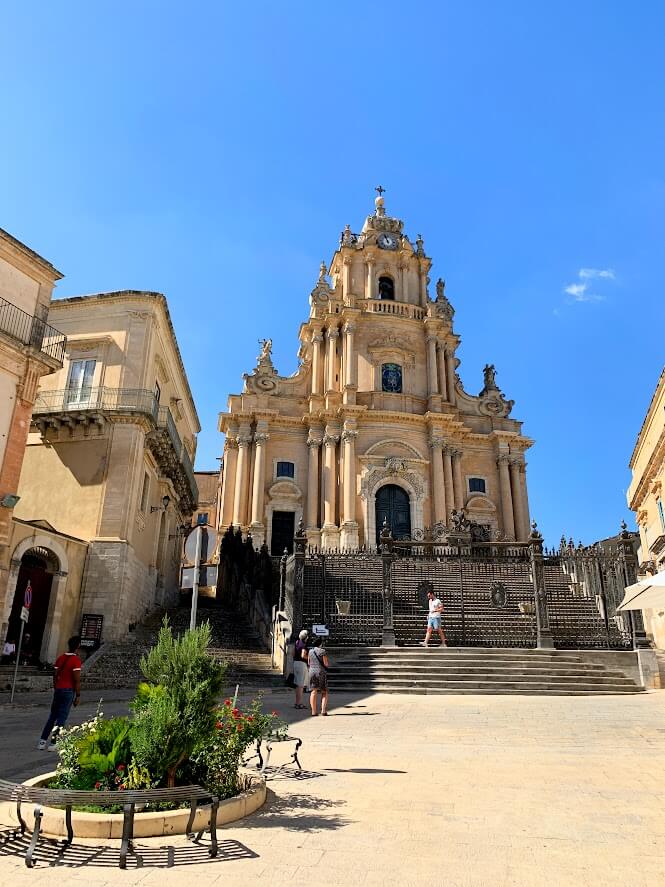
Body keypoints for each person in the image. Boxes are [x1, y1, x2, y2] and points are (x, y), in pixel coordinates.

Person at [37, 635, 82, 751]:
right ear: (78, 646)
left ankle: (42, 741)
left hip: (58, 690)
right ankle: (53, 743)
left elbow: (55, 674)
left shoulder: (60, 658)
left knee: (52, 716)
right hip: (68, 691)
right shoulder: (76, 660)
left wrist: (56, 687)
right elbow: (77, 680)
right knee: (62, 718)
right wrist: (78, 695)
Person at [308, 637, 329, 716]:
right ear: (320, 643)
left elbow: (309, 662)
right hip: (321, 672)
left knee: (313, 691)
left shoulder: (310, 651)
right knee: (324, 691)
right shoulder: (322, 651)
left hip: (312, 671)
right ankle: (323, 711)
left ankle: (313, 711)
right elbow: (326, 663)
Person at [293, 629, 309, 710]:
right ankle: (299, 704)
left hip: (295, 663)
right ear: (306, 637)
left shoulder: (296, 642)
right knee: (301, 685)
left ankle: (297, 702)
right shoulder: (303, 644)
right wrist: (309, 658)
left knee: (297, 684)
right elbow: (303, 655)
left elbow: (293, 653)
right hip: (301, 664)